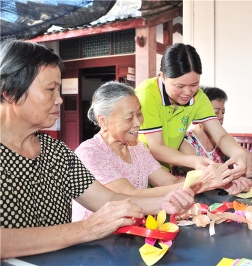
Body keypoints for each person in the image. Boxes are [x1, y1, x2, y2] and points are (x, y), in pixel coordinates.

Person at [0, 40, 195, 259]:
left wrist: (166, 202)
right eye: (50, 89)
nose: (59, 100)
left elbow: (108, 199)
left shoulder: (55, 152)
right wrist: (87, 229)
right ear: (10, 91)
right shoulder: (88, 151)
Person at [72, 82, 248, 221]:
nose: (138, 122)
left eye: (139, 114)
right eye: (128, 117)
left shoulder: (137, 148)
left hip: (131, 230)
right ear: (103, 121)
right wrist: (201, 183)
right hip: (98, 240)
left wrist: (221, 179)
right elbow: (129, 195)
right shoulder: (90, 153)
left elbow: (168, 181)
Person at [135, 43, 252, 180]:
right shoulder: (147, 94)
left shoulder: (198, 96)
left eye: (194, 84)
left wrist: (238, 153)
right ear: (163, 77)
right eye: (180, 86)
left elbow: (220, 135)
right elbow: (157, 148)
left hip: (165, 174)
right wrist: (195, 161)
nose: (187, 92)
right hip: (139, 172)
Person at [175, 86, 252, 179]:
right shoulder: (185, 141)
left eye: (223, 112)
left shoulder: (222, 139)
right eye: (215, 112)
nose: (221, 117)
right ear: (200, 113)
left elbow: (248, 156)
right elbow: (203, 175)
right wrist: (247, 171)